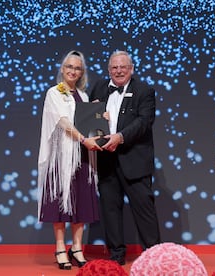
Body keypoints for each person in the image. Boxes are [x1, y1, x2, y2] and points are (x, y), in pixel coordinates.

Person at [89, 50, 161, 265]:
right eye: (114, 67)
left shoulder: (144, 91)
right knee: (110, 210)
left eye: (123, 67)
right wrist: (93, 130)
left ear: (131, 69)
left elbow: (144, 121)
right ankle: (116, 255)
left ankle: (154, 257)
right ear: (108, 69)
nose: (118, 71)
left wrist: (119, 137)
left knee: (144, 211)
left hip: (134, 160)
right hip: (106, 161)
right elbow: (90, 117)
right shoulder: (99, 88)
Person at [37, 50, 103, 270]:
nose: (73, 71)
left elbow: (91, 123)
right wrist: (84, 138)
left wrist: (100, 117)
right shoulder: (54, 93)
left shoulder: (84, 96)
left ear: (82, 72)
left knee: (82, 201)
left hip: (83, 155)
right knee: (60, 202)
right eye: (69, 67)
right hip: (61, 157)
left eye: (77, 68)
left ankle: (76, 248)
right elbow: (63, 122)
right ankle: (59, 248)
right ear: (62, 69)